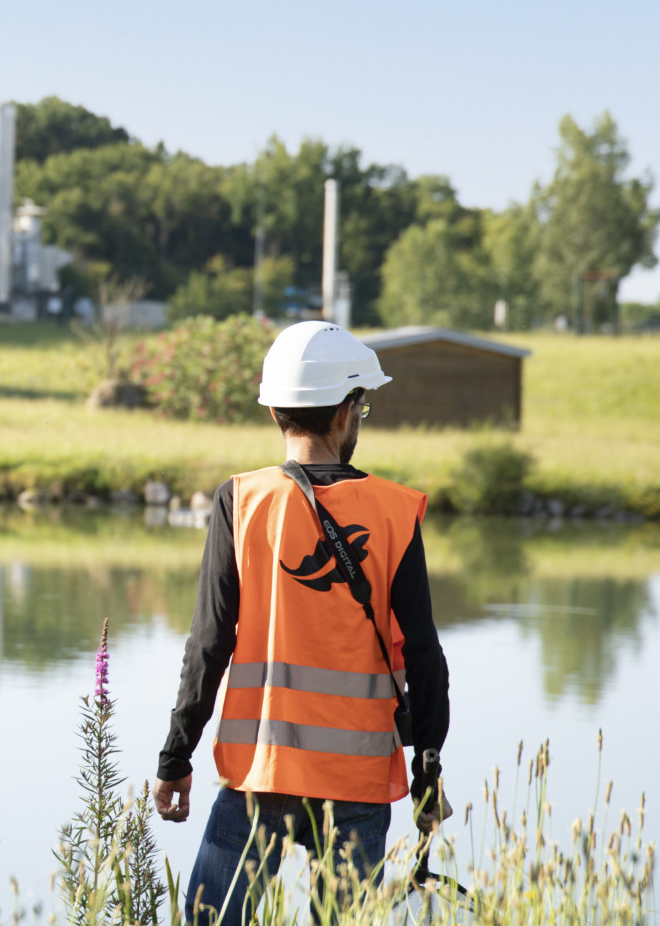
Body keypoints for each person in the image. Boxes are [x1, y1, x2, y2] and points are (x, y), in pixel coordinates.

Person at [152, 321, 450, 924]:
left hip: (260, 770)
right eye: (361, 404)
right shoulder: (395, 512)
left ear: (275, 413)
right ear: (344, 413)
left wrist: (175, 757)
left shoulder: (241, 501)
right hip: (359, 779)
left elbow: (208, 644)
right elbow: (424, 656)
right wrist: (428, 773)